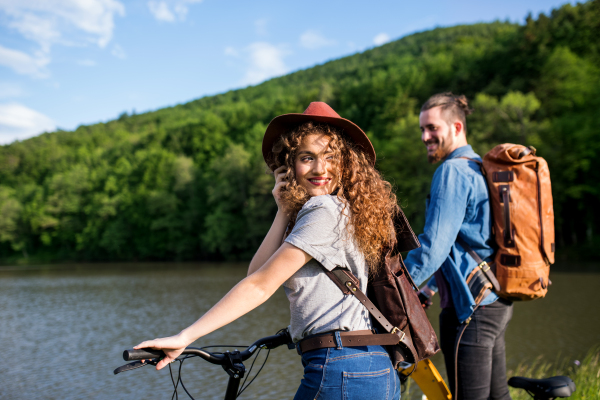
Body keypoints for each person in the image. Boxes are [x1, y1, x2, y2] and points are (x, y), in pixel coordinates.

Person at [135, 102, 402, 400]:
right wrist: (283, 210)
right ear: (289, 167)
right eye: (306, 158)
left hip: (340, 369)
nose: (319, 168)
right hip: (373, 368)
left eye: (330, 157)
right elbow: (258, 273)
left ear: (345, 162)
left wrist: (185, 336)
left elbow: (260, 287)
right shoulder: (344, 210)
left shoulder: (323, 209)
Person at [404, 92, 513, 400]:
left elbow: (433, 247)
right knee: (497, 396)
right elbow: (465, 243)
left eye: (432, 128)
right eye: (422, 129)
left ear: (456, 127)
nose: (425, 137)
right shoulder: (479, 167)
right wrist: (429, 290)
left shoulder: (451, 171)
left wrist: (393, 286)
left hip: (470, 310)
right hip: (495, 299)